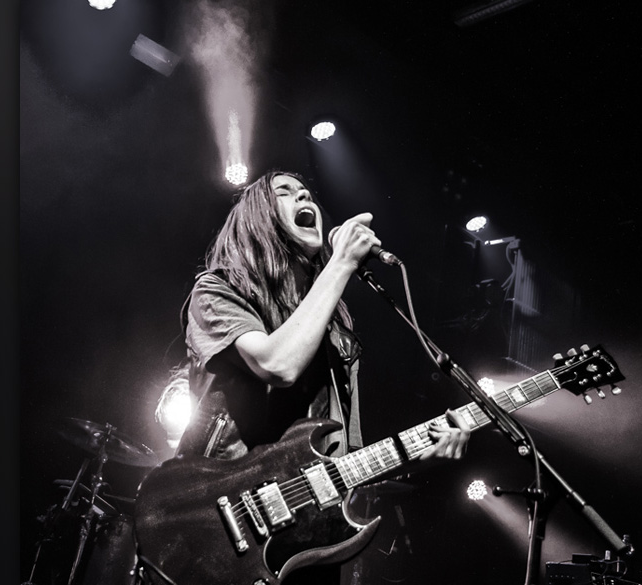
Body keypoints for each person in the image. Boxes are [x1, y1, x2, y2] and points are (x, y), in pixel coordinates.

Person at [173, 169, 471, 583]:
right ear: (257, 218)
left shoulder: (336, 329)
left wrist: (419, 455)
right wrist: (342, 263)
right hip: (218, 521)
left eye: (307, 193)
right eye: (286, 193)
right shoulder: (219, 290)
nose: (304, 198)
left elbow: (346, 456)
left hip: (308, 544)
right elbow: (277, 365)